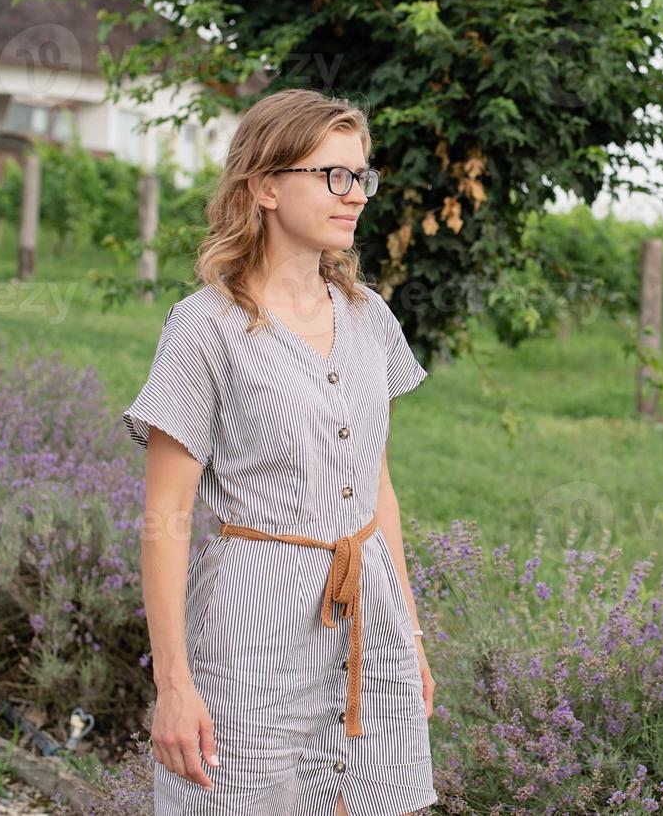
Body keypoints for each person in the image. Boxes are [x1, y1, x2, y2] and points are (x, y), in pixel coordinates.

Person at [123, 87, 437, 815]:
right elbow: (164, 518)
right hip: (252, 626)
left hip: (369, 616)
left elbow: (376, 485)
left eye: (361, 176)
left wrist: (410, 634)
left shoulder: (368, 317)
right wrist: (174, 685)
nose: (354, 194)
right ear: (264, 186)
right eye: (331, 175)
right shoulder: (203, 328)